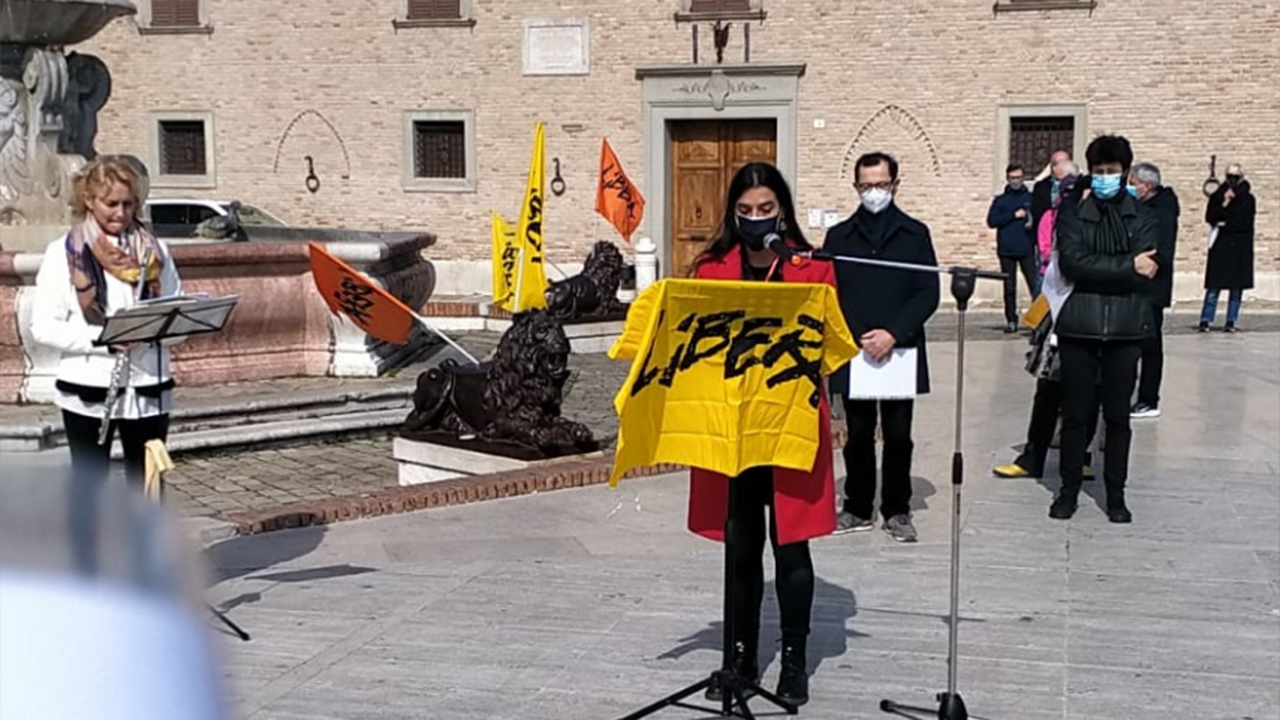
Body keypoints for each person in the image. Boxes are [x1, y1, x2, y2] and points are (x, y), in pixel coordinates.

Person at [687, 161, 836, 706]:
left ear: (783, 211)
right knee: (742, 549)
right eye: (745, 211)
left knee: (791, 548)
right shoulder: (710, 268)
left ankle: (794, 659)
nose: (755, 220)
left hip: (790, 422)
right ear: (732, 213)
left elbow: (826, 340)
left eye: (766, 210)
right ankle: (741, 656)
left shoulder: (812, 268)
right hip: (733, 428)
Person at [30, 156, 182, 572]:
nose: (121, 214)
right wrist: (104, 340)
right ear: (89, 200)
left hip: (149, 386)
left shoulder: (156, 250)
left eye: (128, 205)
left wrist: (165, 327)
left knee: (149, 483)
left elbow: (177, 314)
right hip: (89, 388)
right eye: (111, 204)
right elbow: (44, 326)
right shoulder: (64, 253)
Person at [824, 152, 940, 542]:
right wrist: (859, 336)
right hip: (855, 347)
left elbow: (928, 292)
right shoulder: (838, 237)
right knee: (856, 432)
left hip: (899, 349)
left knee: (898, 433)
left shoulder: (915, 233)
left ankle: (897, 508)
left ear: (895, 184)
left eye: (881, 184)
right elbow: (830, 293)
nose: (874, 192)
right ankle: (857, 505)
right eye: (866, 185)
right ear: (856, 187)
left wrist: (892, 333)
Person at [1050, 135, 1158, 523]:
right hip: (1080, 326)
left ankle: (1116, 495)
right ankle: (1067, 491)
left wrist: (1114, 268)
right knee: (1076, 415)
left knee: (1117, 417)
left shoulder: (1143, 216)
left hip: (1127, 330)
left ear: (1125, 172)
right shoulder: (1073, 213)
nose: (1105, 178)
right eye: (1098, 171)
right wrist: (1127, 266)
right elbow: (1073, 265)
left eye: (1112, 171)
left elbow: (1150, 272)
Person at [1128, 162, 1179, 418]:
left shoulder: (1162, 211)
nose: (1130, 187)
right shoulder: (1147, 207)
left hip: (1152, 287)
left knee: (1150, 344)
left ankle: (1148, 399)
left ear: (1146, 186)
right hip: (1140, 287)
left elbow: (1160, 251)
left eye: (1133, 183)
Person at [1199, 163, 1255, 332]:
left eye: (1235, 177)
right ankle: (1206, 319)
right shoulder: (1218, 195)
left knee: (1235, 288)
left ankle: (1231, 320)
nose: (1232, 181)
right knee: (1214, 287)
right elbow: (1211, 216)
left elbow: (1243, 222)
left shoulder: (1248, 198)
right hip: (1221, 245)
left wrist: (1225, 221)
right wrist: (1225, 203)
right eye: (1230, 176)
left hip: (1239, 247)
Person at [987, 163, 1038, 332]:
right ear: (1007, 179)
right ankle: (1011, 320)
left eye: (1019, 178)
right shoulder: (1001, 201)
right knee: (1009, 287)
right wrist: (1013, 215)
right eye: (1012, 178)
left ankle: (1037, 321)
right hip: (1007, 250)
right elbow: (992, 221)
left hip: (1027, 249)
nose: (1016, 181)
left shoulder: (1031, 198)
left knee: (1034, 285)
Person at [1031, 148, 1074, 232]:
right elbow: (1037, 212)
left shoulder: (1078, 184)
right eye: (1062, 164)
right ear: (1053, 167)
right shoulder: (1041, 187)